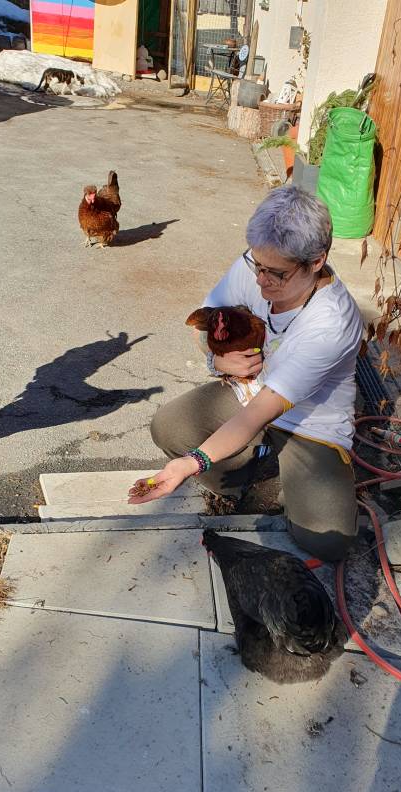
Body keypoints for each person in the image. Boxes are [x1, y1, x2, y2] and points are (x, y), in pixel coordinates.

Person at [129, 186, 364, 561]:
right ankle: (261, 476)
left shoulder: (331, 322)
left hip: (308, 421)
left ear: (317, 261)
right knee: (169, 426)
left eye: (277, 273)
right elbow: (201, 325)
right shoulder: (256, 266)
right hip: (249, 391)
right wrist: (216, 360)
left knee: (328, 541)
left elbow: (260, 412)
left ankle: (280, 470)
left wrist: (190, 464)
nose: (260, 280)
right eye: (257, 265)